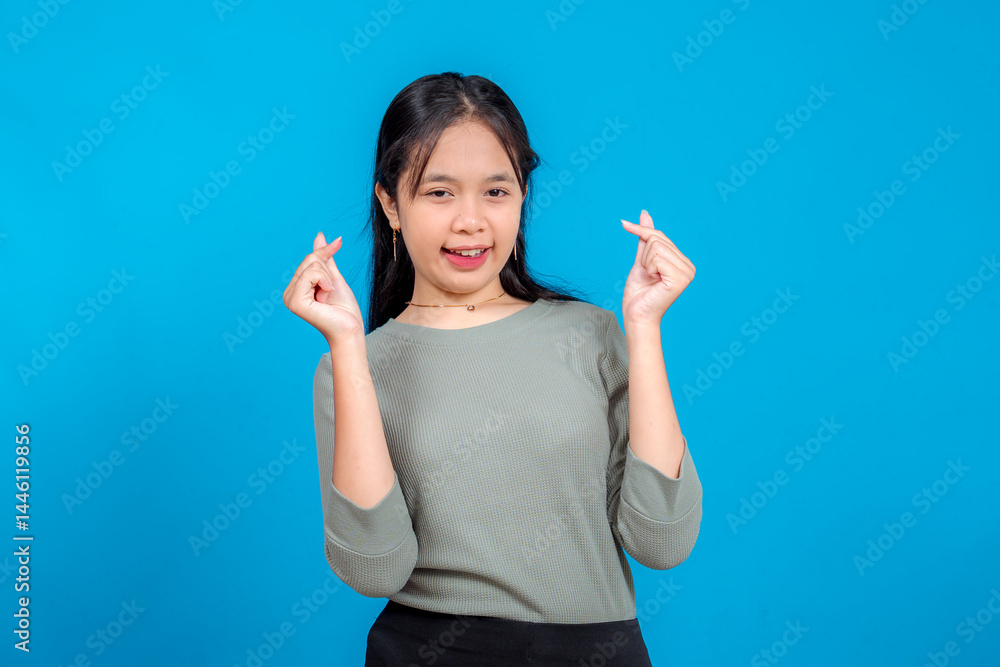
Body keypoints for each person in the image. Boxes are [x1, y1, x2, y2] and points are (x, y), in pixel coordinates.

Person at [282, 72, 703, 666]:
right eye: (439, 192)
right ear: (389, 202)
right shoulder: (354, 367)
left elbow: (662, 540)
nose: (471, 221)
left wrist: (644, 328)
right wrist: (350, 345)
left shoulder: (594, 335)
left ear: (522, 195)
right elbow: (374, 567)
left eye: (496, 192)